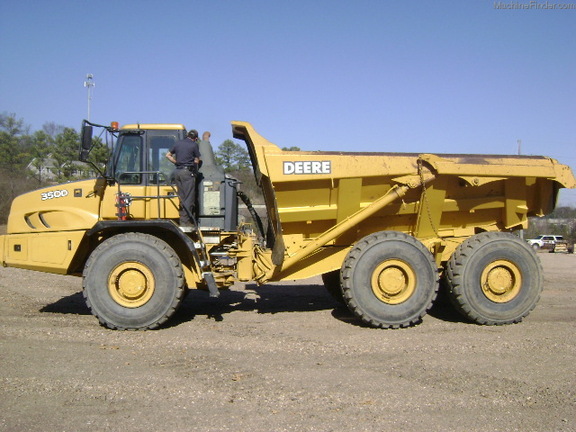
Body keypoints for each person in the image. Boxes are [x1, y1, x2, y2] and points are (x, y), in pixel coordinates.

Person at [166, 129, 201, 226]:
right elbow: (197, 160)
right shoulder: (194, 145)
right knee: (189, 198)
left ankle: (182, 219)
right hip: (187, 173)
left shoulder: (178, 143)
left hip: (177, 172)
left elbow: (168, 155)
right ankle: (186, 222)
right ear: (196, 138)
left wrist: (176, 162)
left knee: (182, 197)